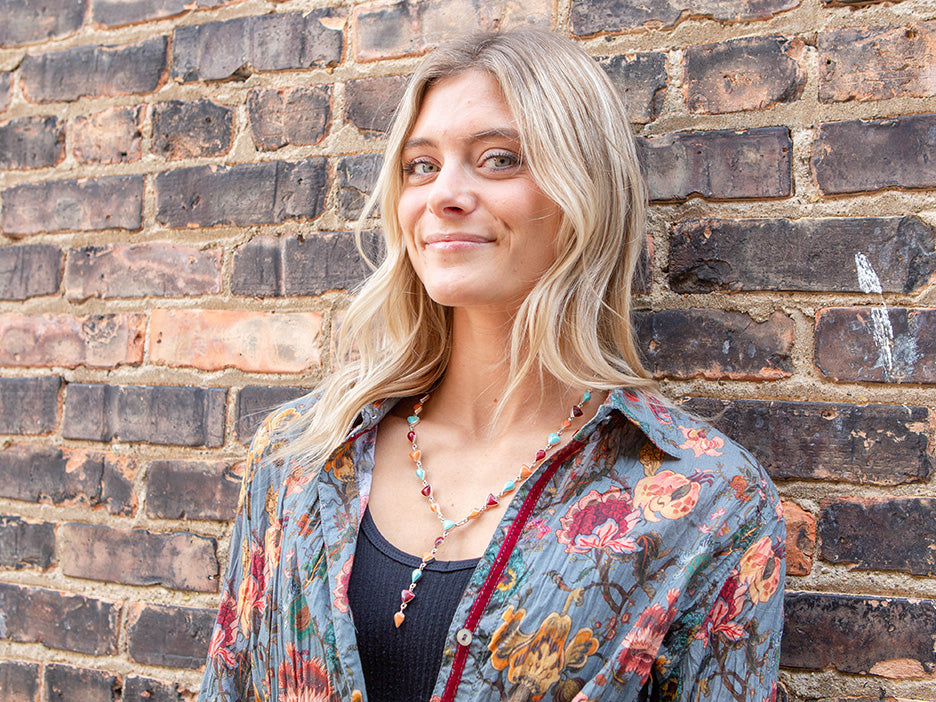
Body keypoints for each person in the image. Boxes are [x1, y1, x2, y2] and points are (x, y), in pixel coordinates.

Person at [199, 29, 785, 702]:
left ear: (582, 192)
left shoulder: (706, 499)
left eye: (499, 159)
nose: (443, 193)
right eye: (420, 166)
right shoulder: (298, 457)